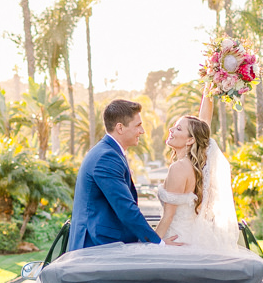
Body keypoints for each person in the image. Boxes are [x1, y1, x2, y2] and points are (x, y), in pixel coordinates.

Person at [68, 99, 164, 251]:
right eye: (138, 125)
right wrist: (159, 244)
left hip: (102, 246)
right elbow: (125, 208)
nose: (142, 131)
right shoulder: (106, 157)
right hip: (95, 248)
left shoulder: (109, 152)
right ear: (120, 127)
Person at [154, 85, 240, 250]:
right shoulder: (199, 166)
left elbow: (168, 217)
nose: (171, 130)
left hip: (175, 240)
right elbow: (204, 124)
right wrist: (209, 85)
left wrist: (153, 244)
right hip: (194, 238)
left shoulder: (178, 168)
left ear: (190, 140)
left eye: (178, 129)